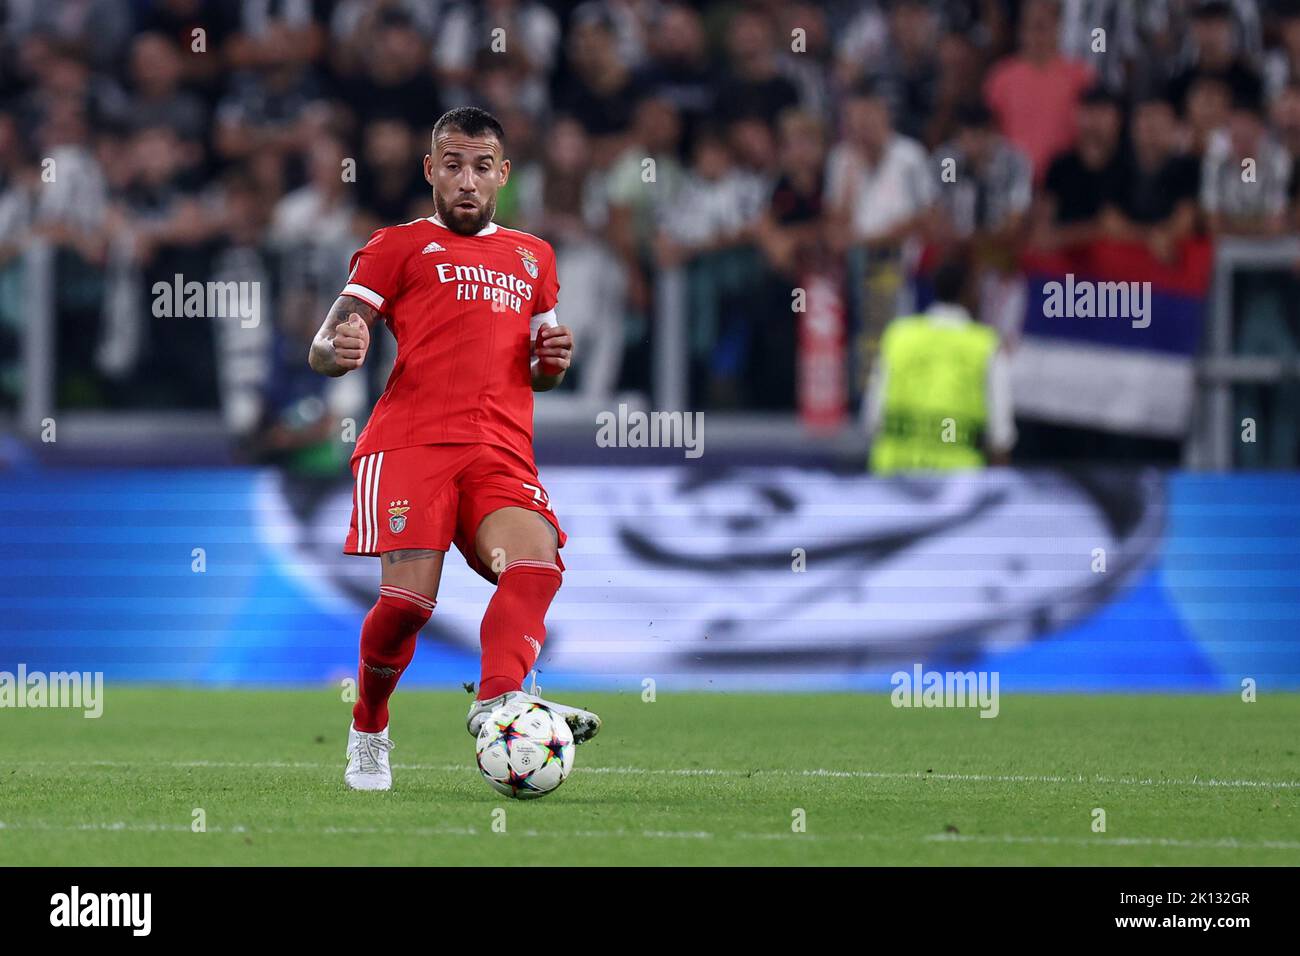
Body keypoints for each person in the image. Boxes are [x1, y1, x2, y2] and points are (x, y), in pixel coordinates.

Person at [308, 107, 601, 792]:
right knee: (408, 607)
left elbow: (542, 369)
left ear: (503, 174)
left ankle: (500, 699)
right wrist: (336, 349)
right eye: (453, 165)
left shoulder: (533, 256)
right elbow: (325, 343)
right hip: (411, 445)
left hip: (500, 449)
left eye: (481, 167)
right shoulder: (397, 246)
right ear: (430, 170)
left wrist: (553, 364)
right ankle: (369, 727)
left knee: (536, 566)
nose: (467, 180)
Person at [865, 252, 1015, 473]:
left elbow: (873, 415)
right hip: (957, 477)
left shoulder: (899, 335)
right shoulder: (985, 345)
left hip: (894, 471)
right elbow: (1001, 434)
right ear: (968, 293)